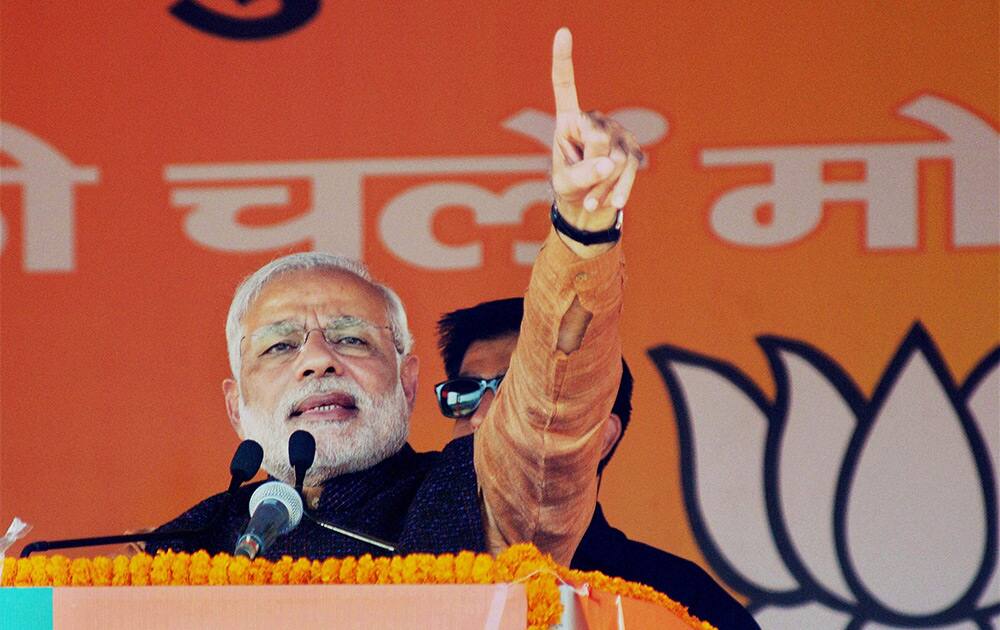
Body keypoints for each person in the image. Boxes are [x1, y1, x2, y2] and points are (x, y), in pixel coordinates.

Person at [148, 28, 642, 568]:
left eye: (351, 338)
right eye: (279, 347)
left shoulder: (477, 497)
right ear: (235, 408)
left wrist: (583, 233)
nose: (318, 360)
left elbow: (552, 418)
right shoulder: (182, 549)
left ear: (408, 384)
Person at [435, 298, 761, 629]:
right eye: (466, 392)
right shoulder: (406, 574)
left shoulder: (680, 602)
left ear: (601, 436)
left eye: (517, 393)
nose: (481, 417)